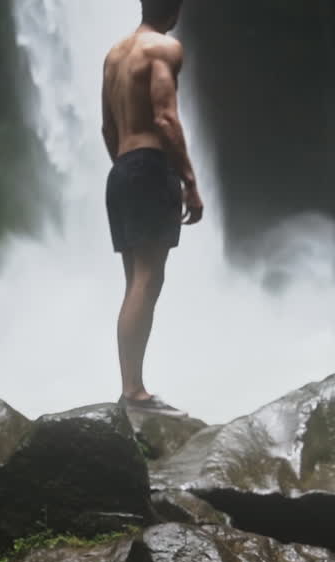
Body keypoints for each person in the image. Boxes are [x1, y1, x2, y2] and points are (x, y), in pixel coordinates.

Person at [102, 0, 203, 416]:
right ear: (175, 8)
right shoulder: (163, 48)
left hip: (122, 169)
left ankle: (130, 388)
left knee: (135, 283)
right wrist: (189, 182)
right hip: (149, 166)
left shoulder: (115, 55)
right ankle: (135, 392)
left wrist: (126, 167)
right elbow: (165, 119)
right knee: (148, 280)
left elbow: (107, 126)